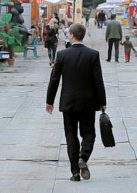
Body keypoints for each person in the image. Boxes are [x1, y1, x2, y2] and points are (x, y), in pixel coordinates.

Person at [45, 23, 107, 182]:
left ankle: (75, 173)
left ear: (72, 35)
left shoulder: (62, 55)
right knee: (89, 133)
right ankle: (83, 157)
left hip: (68, 102)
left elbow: (54, 80)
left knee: (71, 135)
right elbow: (98, 81)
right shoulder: (93, 55)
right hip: (88, 101)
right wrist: (102, 102)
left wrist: (49, 101)